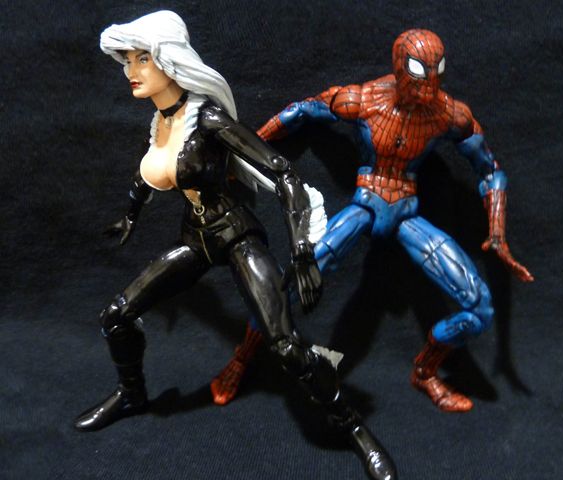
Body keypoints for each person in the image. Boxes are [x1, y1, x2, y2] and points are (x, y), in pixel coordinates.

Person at [74, 11, 396, 480]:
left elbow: (284, 173)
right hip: (197, 239)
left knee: (285, 347)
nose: (131, 71)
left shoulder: (208, 119)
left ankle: (356, 429)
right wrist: (131, 213)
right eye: (128, 60)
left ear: (170, 60)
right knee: (116, 316)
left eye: (142, 58)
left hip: (236, 235)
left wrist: (301, 250)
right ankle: (133, 394)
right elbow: (150, 170)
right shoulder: (162, 122)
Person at [212, 29, 534, 412]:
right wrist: (245, 153)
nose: (428, 87)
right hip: (365, 205)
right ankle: (241, 358)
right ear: (400, 68)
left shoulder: (449, 114)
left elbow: (491, 171)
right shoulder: (364, 99)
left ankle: (425, 371)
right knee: (290, 284)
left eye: (437, 73)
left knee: (479, 307)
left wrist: (497, 232)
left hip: (407, 214)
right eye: (420, 72)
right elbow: (300, 111)